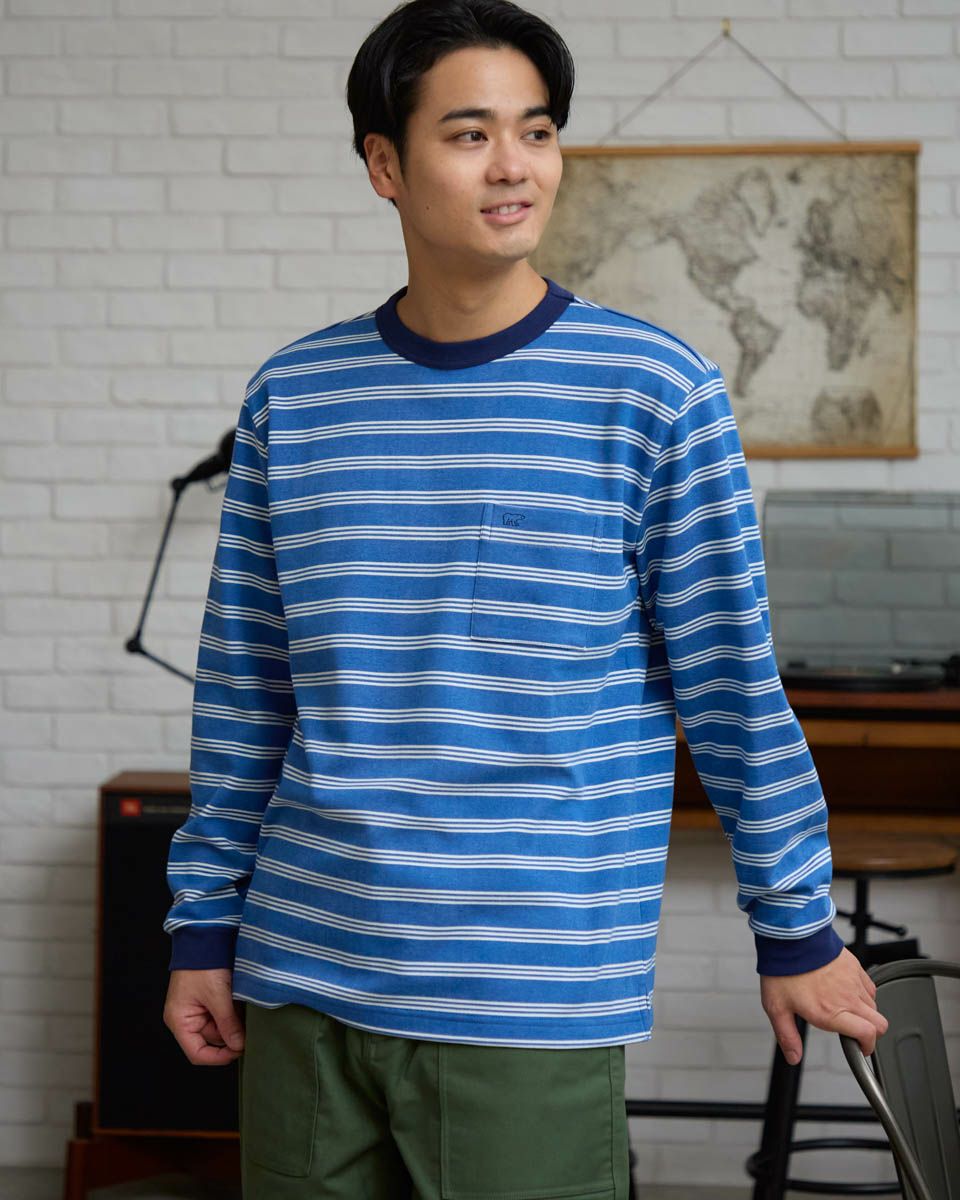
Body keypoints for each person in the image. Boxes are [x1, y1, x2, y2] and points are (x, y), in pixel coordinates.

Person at [162, 1, 889, 1195]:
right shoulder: (295, 395)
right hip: (301, 967)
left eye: (536, 131)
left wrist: (794, 924)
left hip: (525, 991)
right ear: (385, 165)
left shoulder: (655, 392)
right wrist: (203, 923)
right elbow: (247, 686)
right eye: (470, 134)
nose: (515, 166)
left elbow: (728, 684)